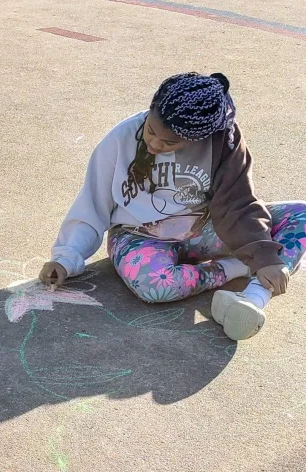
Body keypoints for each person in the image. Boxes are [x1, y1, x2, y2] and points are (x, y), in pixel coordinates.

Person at [39, 72, 305, 341]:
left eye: (169, 143)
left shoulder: (223, 141)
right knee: (154, 287)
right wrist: (66, 258)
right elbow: (93, 201)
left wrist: (265, 258)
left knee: (302, 216)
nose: (154, 144)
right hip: (140, 236)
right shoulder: (121, 138)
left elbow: (238, 204)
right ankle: (237, 269)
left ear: (199, 137)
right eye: (151, 131)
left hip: (205, 229)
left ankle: (253, 298)